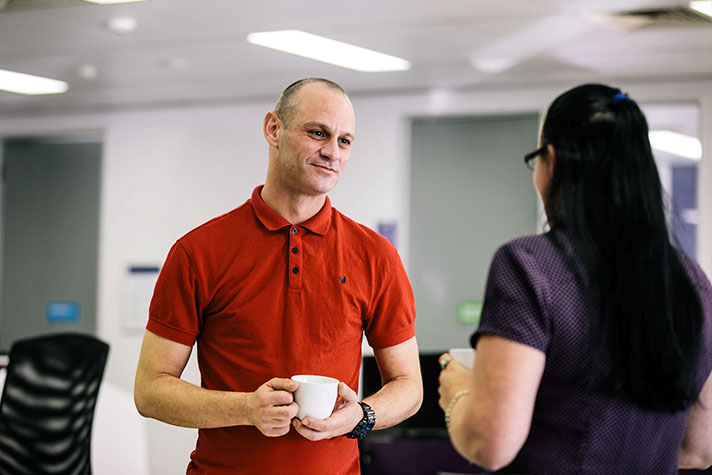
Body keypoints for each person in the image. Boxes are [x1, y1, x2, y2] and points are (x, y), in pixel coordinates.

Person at [134, 78, 423, 474]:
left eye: (344, 141)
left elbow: (409, 384)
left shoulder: (376, 256)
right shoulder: (198, 252)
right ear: (274, 129)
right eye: (318, 133)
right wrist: (247, 409)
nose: (331, 152)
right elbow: (150, 390)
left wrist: (361, 416)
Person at [438, 83, 712, 473]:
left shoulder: (529, 266)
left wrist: (459, 391)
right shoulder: (690, 282)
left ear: (552, 161)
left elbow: (490, 443)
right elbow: (699, 449)